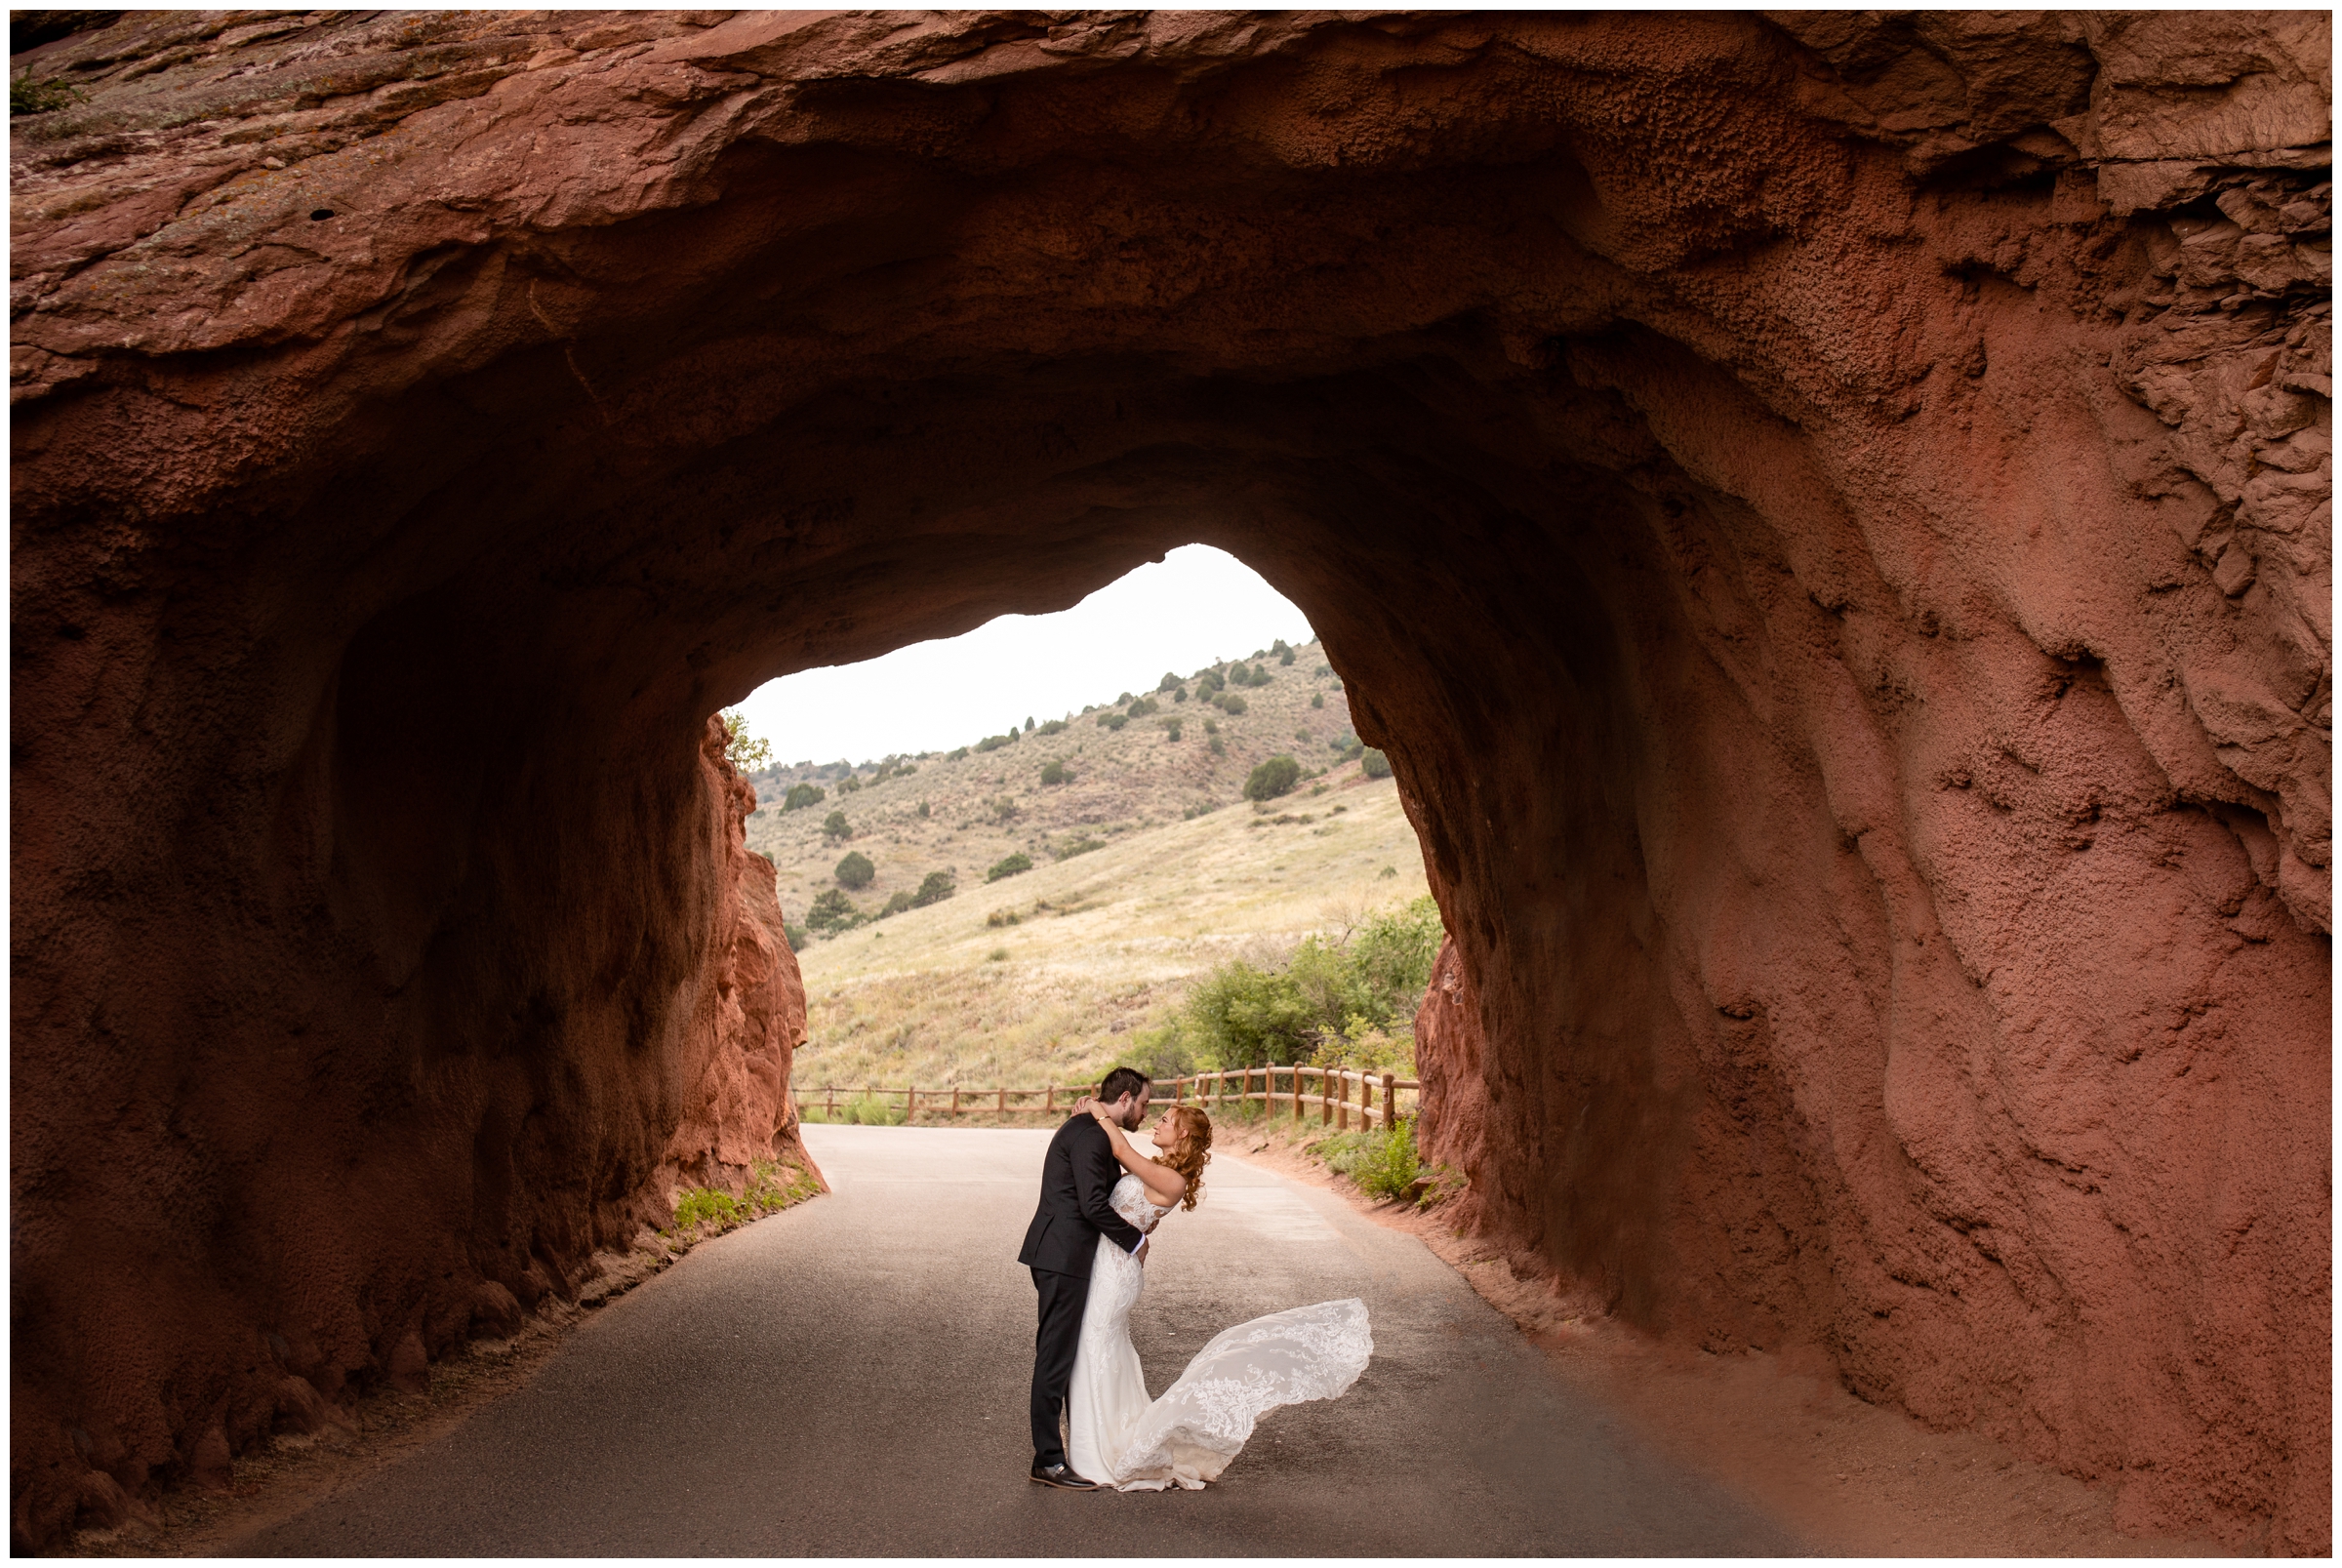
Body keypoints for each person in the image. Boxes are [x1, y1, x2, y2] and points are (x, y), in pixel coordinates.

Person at [1057, 1094, 1373, 1491]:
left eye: (1166, 1120)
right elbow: (1119, 1176)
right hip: (1107, 1265)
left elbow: (1119, 1148)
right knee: (1100, 1353)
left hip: (1114, 1275)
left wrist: (1097, 1112)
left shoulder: (1172, 1180)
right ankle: (1095, 1443)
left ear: (1182, 1134)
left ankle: (1096, 1454)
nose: (1156, 1123)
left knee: (1095, 1351)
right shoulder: (1161, 1170)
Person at [1018, 1067, 1152, 1489]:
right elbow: (1093, 1205)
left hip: (1067, 1254)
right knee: (1055, 1355)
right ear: (1126, 1098)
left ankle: (1072, 1450)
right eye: (1145, 1104)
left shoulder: (1095, 1129)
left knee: (1064, 1353)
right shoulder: (1090, 1136)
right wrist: (1136, 1241)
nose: (1147, 1113)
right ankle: (1048, 1460)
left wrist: (1097, 1113)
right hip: (1061, 1255)